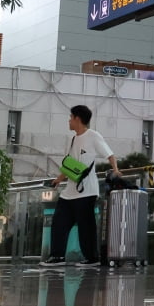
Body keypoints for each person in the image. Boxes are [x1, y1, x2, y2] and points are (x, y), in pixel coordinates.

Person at [42, 104, 120, 267]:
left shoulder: (93, 136)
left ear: (77, 119)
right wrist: (58, 179)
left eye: (71, 117)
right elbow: (71, 165)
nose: (69, 120)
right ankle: (57, 256)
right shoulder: (74, 139)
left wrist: (116, 170)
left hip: (87, 191)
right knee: (59, 222)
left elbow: (110, 154)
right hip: (70, 191)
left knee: (86, 226)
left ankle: (92, 258)